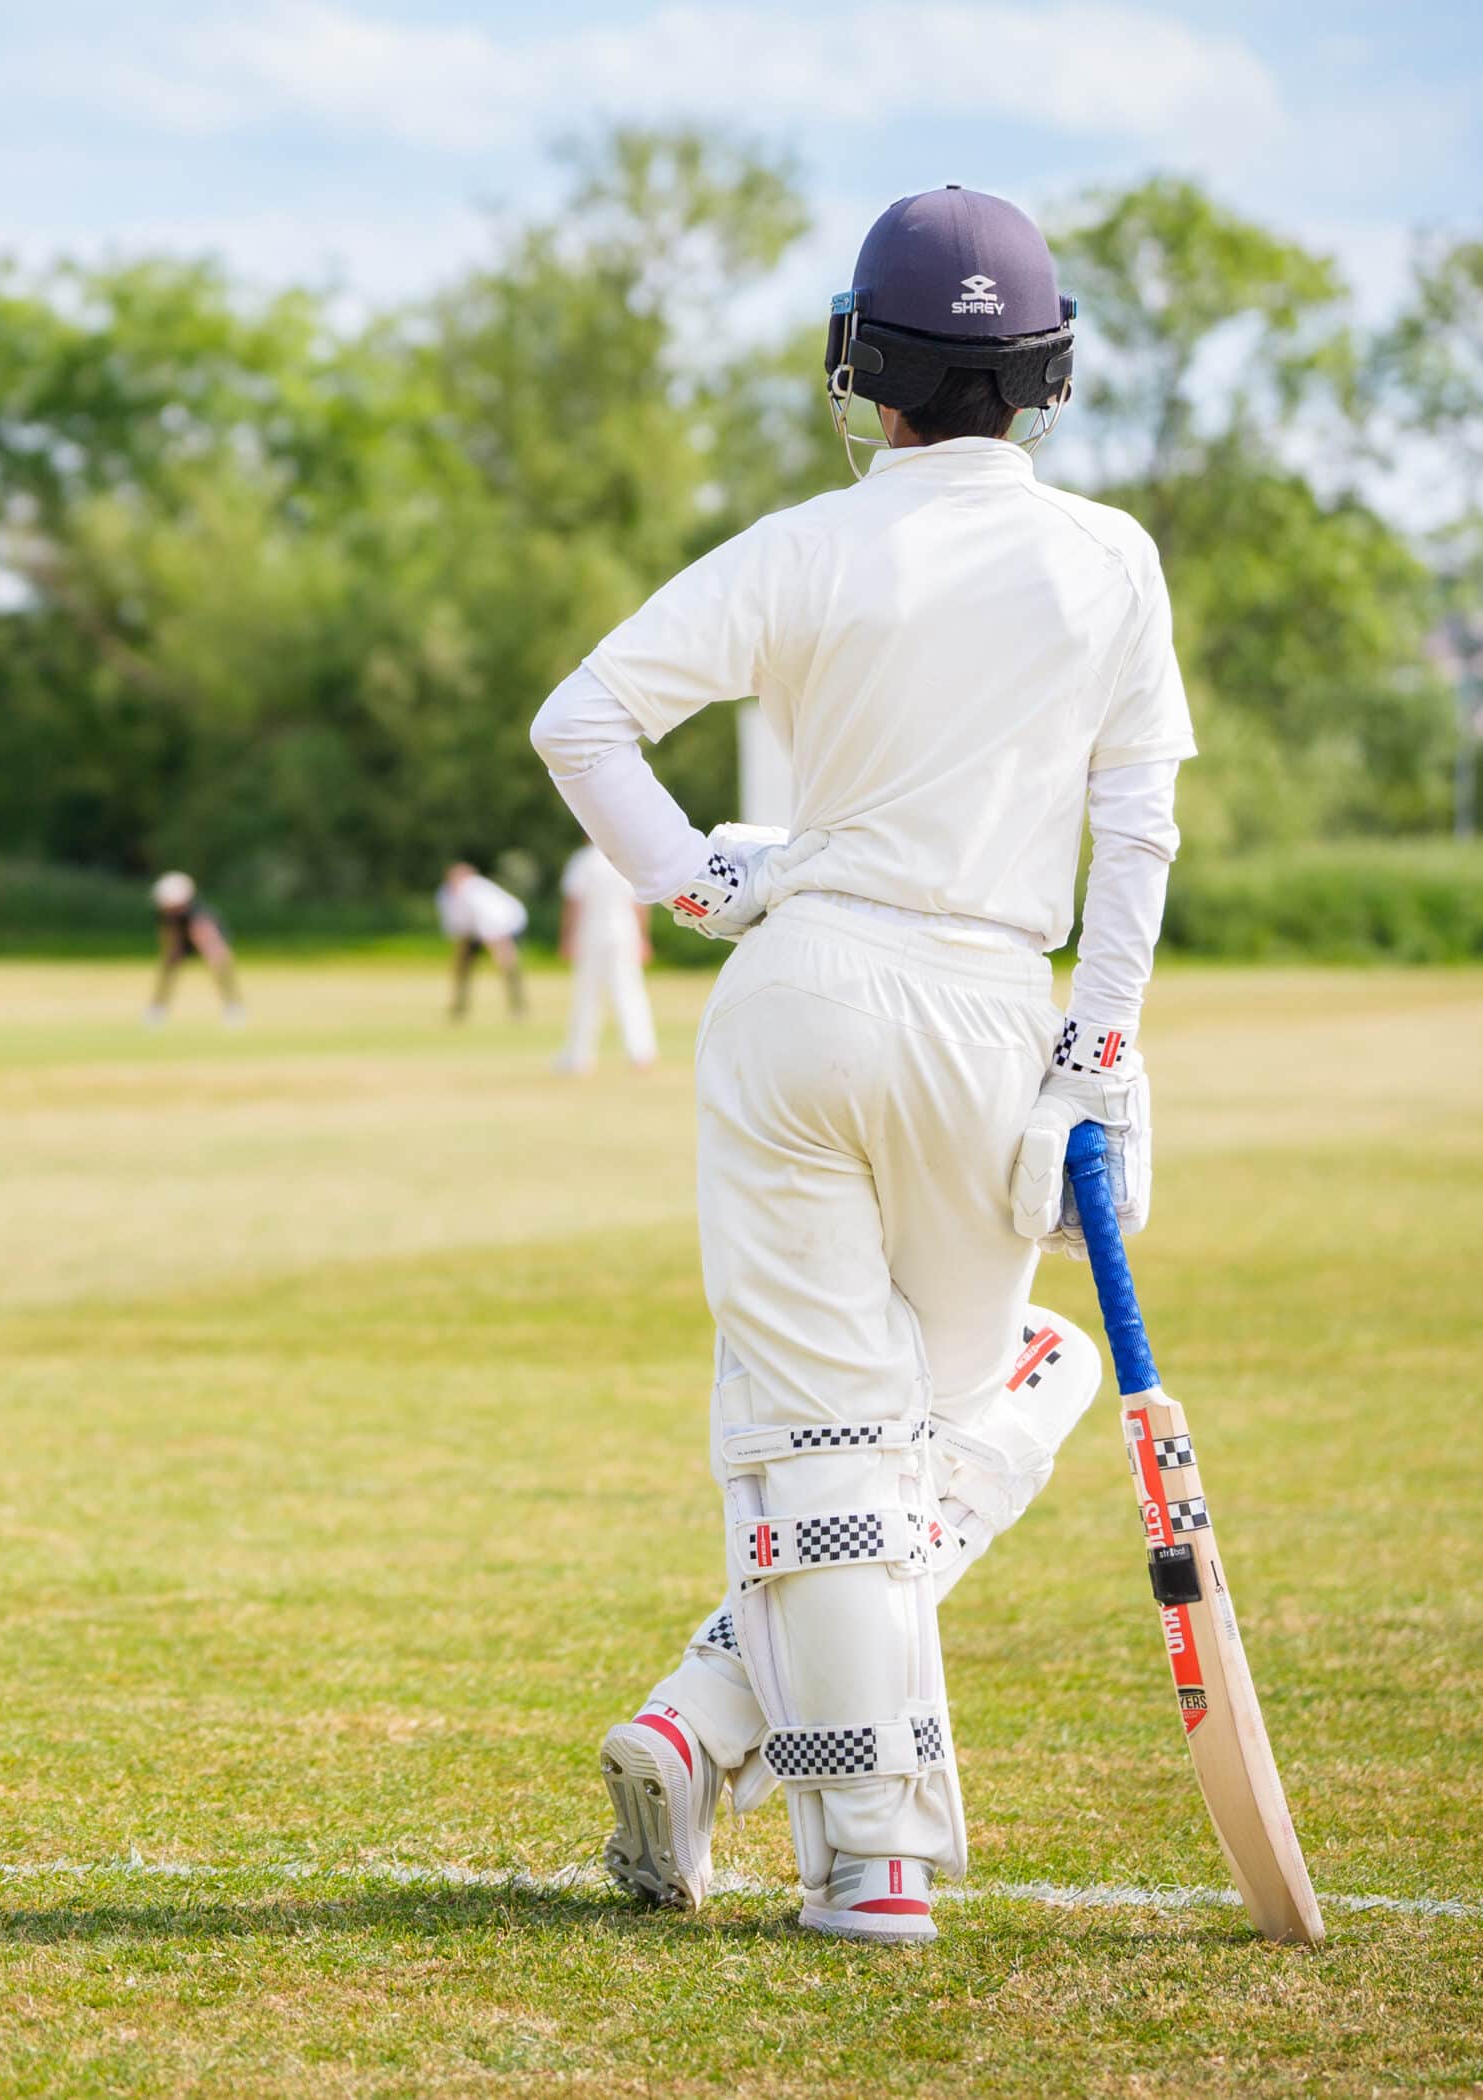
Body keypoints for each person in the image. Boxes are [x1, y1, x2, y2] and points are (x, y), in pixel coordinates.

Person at [532, 186, 1192, 1943]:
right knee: (952, 1415)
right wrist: (1096, 1060)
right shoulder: (1110, 558)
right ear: (1043, 374)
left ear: (862, 367)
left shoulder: (812, 546)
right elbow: (1137, 833)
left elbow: (578, 721)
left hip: (805, 994)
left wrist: (695, 877)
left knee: (839, 1445)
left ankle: (806, 1805)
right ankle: (783, 1778)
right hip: (996, 1003)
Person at [556, 838, 656, 1074]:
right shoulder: (625, 860)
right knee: (630, 991)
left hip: (591, 932)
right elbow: (640, 903)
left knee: (587, 994)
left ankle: (578, 1058)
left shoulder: (582, 860)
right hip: (624, 933)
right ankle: (641, 1052)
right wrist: (643, 937)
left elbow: (574, 903)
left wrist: (567, 936)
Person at [146, 872, 243, 1026]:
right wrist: (173, 953)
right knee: (168, 969)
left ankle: (232, 1006)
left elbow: (210, 942)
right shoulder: (165, 915)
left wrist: (214, 957)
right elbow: (169, 938)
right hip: (182, 939)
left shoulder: (198, 915)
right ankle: (158, 1008)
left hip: (207, 939)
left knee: (220, 968)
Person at [435, 861, 527, 1020]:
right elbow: (456, 928)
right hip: (475, 928)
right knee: (463, 965)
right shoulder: (444, 895)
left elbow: (492, 927)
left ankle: (517, 1005)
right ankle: (459, 1006)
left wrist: (499, 952)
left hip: (506, 923)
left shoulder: (477, 895)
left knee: (506, 963)